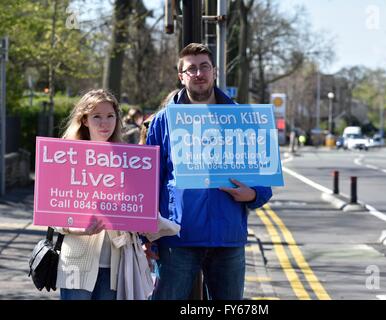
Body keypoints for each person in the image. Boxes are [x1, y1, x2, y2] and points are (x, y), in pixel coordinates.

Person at [146, 43, 273, 300]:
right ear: (181, 77)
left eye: (204, 66)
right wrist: (147, 236)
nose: (199, 73)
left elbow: (264, 182)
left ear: (214, 72)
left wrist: (251, 195)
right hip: (177, 238)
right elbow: (149, 183)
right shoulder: (163, 121)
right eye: (191, 69)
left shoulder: (242, 118)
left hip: (227, 239)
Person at [53, 89, 124, 300]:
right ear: (84, 120)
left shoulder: (132, 160)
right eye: (97, 117)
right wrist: (77, 227)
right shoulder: (66, 157)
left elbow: (138, 207)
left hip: (115, 263)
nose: (105, 123)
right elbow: (53, 213)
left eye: (110, 116)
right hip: (76, 261)